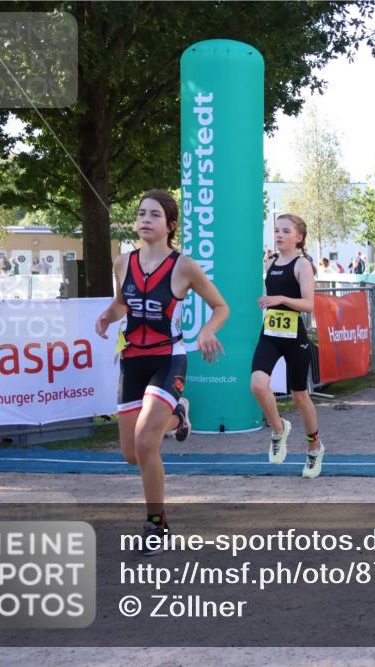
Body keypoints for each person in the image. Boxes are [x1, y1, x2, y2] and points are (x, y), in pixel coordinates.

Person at [94, 189, 229, 555]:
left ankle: (157, 524)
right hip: (133, 361)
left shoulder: (183, 266)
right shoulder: (122, 262)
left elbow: (220, 306)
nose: (145, 220)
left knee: (144, 441)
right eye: (141, 213)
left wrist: (207, 330)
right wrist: (108, 314)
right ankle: (179, 417)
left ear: (170, 225)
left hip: (169, 359)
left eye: (154, 214)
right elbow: (125, 302)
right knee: (131, 453)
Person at [250, 213, 326, 481]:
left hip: (295, 336)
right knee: (258, 384)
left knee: (299, 396)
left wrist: (280, 298)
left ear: (299, 237)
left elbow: (309, 305)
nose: (279, 235)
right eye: (277, 231)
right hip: (270, 333)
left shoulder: (302, 265)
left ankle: (314, 446)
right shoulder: (270, 261)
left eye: (285, 231)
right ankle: (278, 429)